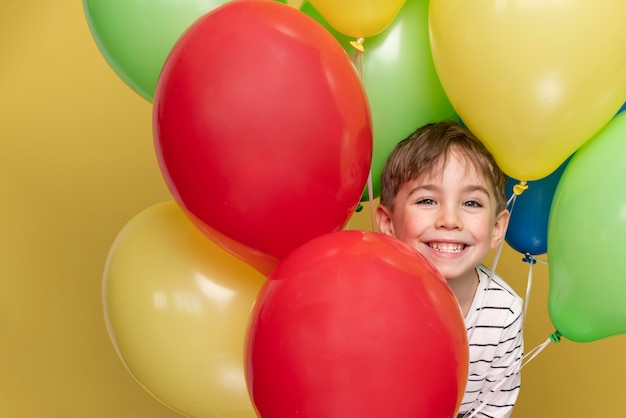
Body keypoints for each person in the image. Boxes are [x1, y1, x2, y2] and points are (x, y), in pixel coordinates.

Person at [376, 120, 523, 417]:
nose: (450, 219)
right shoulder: (370, 297)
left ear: (497, 228)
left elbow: (492, 408)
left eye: (471, 203)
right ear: (388, 223)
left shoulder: (504, 311)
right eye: (427, 200)